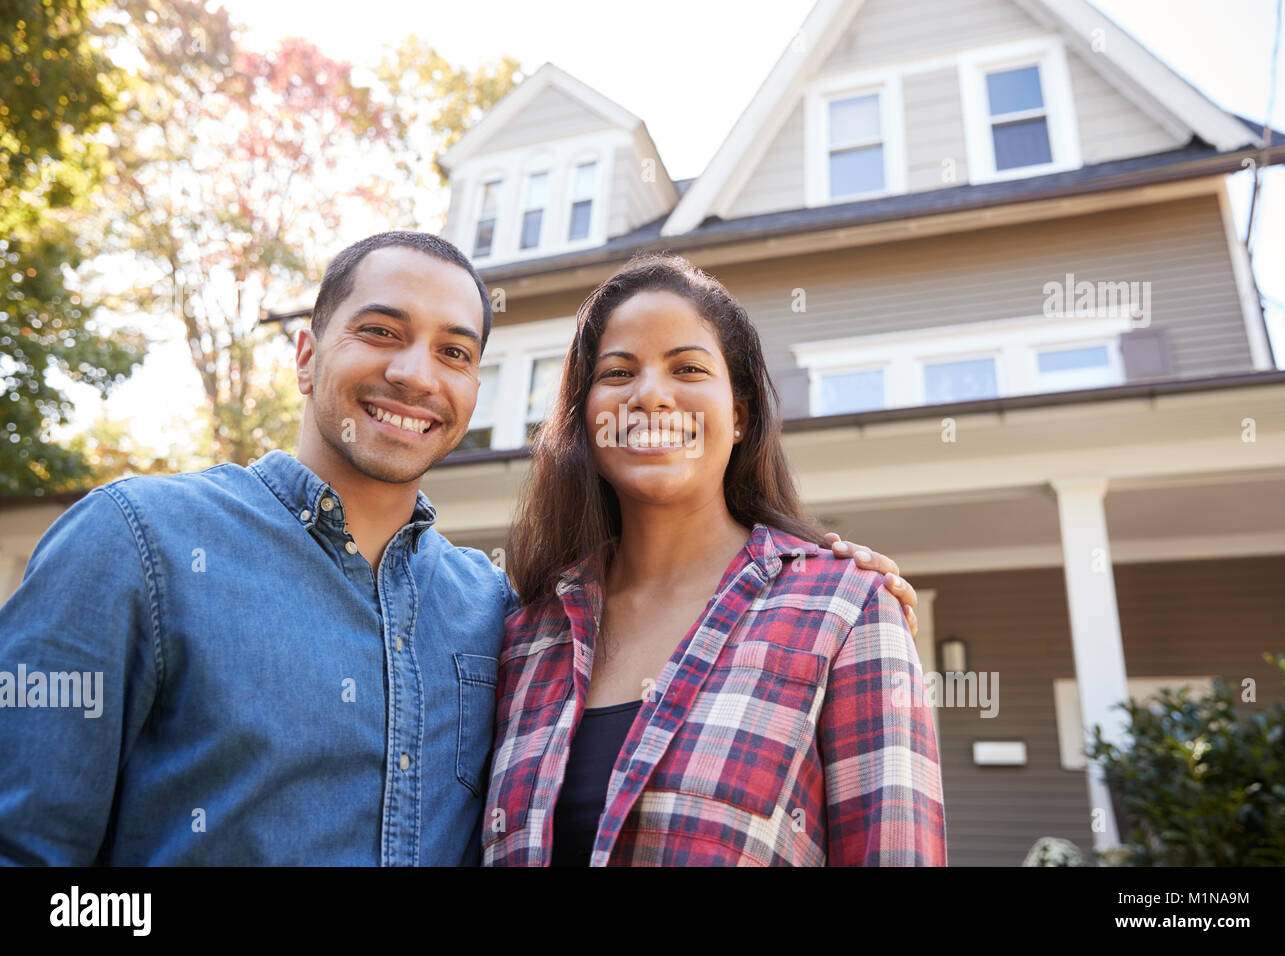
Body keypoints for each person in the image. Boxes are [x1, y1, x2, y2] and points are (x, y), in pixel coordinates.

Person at [0, 232, 917, 865]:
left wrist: (832, 579)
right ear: (306, 354)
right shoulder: (139, 543)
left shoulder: (493, 613)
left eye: (453, 350)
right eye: (380, 332)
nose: (413, 374)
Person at [481, 254, 946, 866]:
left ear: (739, 417)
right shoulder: (523, 634)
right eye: (618, 372)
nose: (649, 395)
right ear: (586, 418)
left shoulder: (847, 610)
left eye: (688, 368)